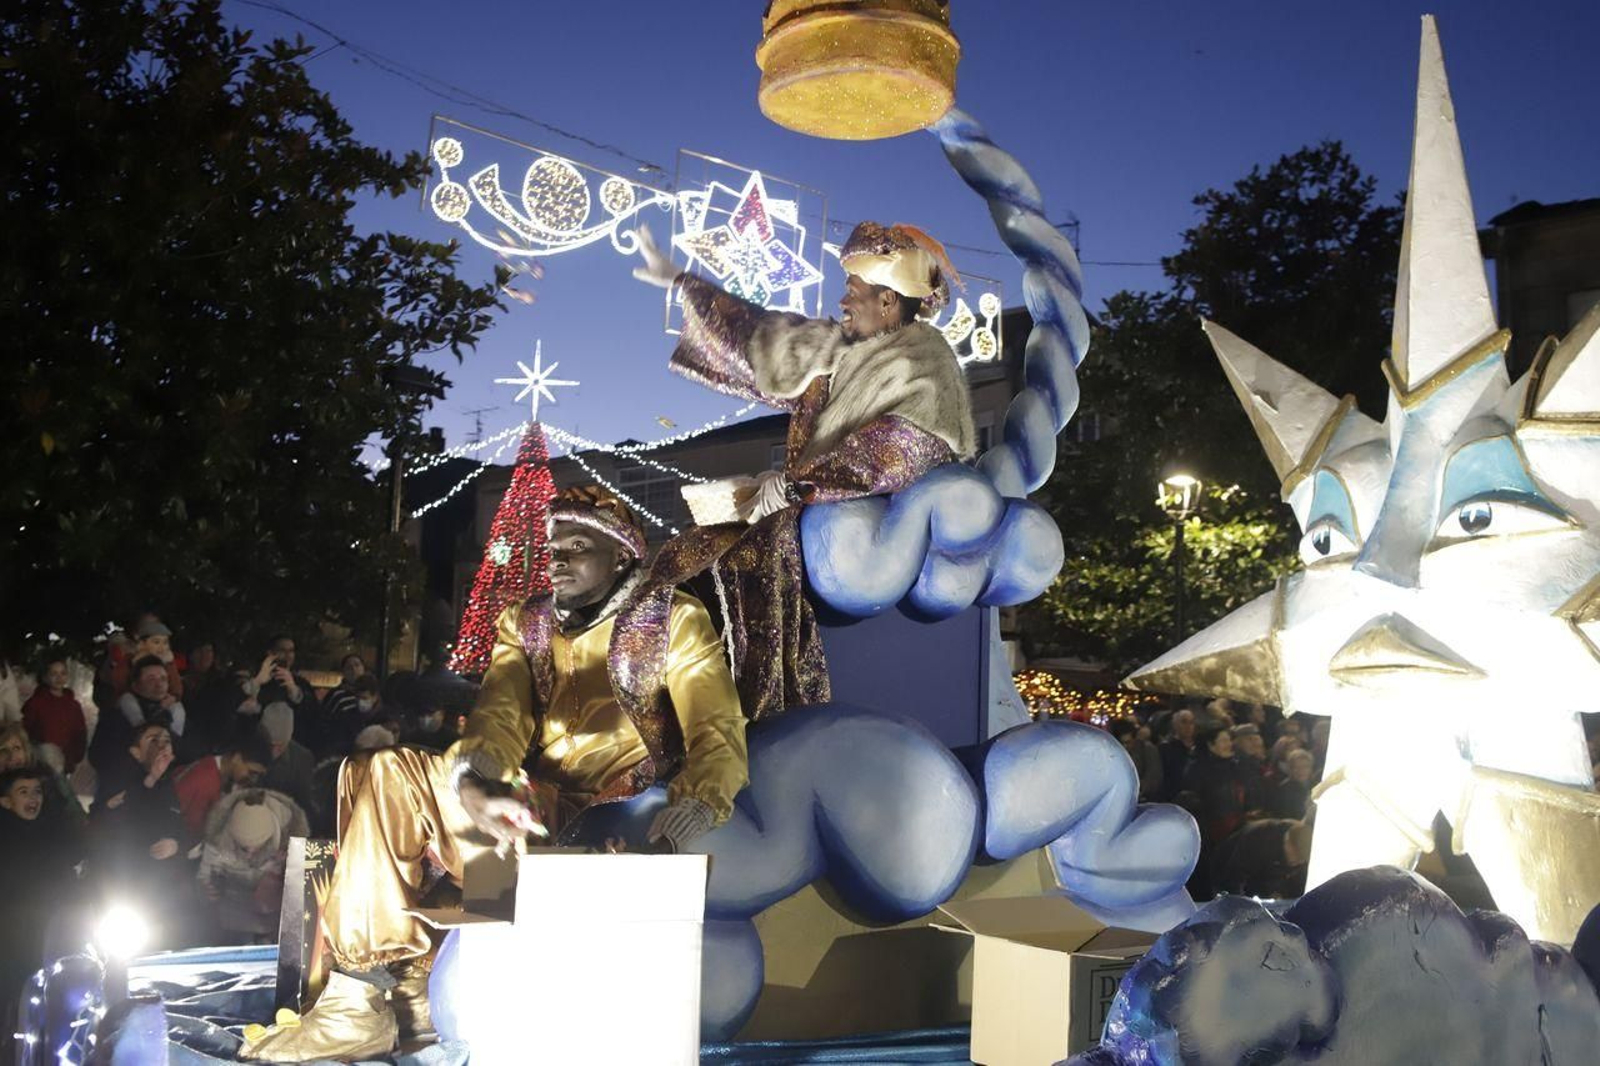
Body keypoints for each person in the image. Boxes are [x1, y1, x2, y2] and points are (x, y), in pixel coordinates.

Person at [240, 488, 751, 1061]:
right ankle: (360, 999)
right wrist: (475, 787)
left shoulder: (672, 618)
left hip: (614, 831)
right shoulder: (525, 622)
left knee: (384, 774)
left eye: (578, 546)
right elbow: (499, 716)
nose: (557, 559)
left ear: (623, 554)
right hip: (525, 821)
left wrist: (684, 818)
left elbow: (717, 732)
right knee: (378, 770)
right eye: (553, 546)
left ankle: (404, 988)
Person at [630, 221, 977, 720]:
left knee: (724, 583)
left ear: (886, 301)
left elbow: (898, 453)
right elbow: (766, 336)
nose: (842, 303)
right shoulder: (840, 348)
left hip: (849, 530)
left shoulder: (927, 364)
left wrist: (794, 487)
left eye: (853, 292)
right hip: (795, 511)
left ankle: (748, 722)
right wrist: (682, 283)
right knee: (678, 568)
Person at [198, 787, 307, 943]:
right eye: (243, 847)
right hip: (232, 921)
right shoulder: (219, 839)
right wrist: (205, 889)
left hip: (275, 924)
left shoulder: (290, 841)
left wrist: (287, 869)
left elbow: (301, 891)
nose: (249, 853)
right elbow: (204, 877)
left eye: (256, 847)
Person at [172, 726, 273, 837]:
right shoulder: (205, 781)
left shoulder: (214, 767)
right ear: (237, 758)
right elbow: (191, 829)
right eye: (251, 772)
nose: (253, 779)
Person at [21, 656, 87, 769]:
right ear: (45, 677)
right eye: (54, 674)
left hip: (66, 761)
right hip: (41, 762)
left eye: (63, 673)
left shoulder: (74, 705)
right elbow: (25, 731)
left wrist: (75, 757)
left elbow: (80, 732)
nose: (59, 678)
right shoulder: (35, 703)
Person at [258, 702, 315, 814]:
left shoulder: (302, 759)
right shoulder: (249, 750)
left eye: (279, 746)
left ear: (288, 739)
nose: (274, 751)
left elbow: (305, 805)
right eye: (270, 745)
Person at [1110, 717, 1162, 801]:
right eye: (1121, 743)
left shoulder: (1147, 750)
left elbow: (1153, 777)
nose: (1124, 747)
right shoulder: (1111, 753)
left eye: (1128, 742)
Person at [1159, 708, 1199, 799]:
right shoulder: (1166, 748)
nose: (1188, 726)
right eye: (1184, 722)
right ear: (1175, 725)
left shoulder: (1200, 747)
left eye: (1191, 722)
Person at [1272, 749, 1316, 820]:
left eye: (1305, 766)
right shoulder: (1284, 790)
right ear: (1290, 769)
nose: (1301, 770)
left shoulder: (1314, 785)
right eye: (1296, 767)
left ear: (1311, 768)